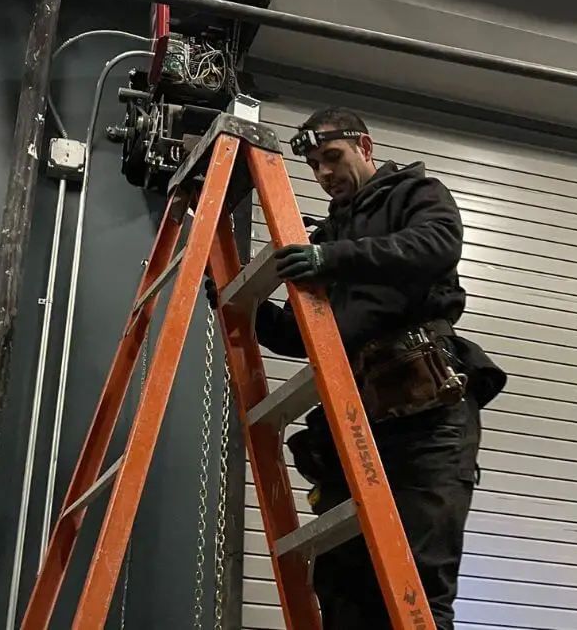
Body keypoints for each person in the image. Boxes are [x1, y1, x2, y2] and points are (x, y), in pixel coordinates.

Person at [207, 106, 506, 629]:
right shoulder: (325, 238)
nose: (324, 173)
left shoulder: (414, 194)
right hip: (358, 424)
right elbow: (308, 337)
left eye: (333, 157)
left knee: (418, 582)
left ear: (364, 148)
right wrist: (247, 312)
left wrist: (335, 258)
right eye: (315, 166)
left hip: (427, 420)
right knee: (342, 584)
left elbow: (436, 244)